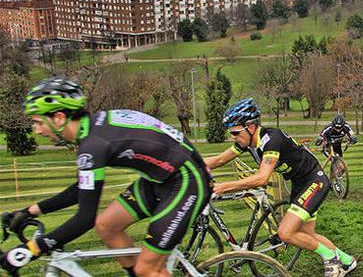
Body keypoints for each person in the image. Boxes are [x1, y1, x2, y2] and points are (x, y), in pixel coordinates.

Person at [1, 77, 211, 277]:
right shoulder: (91, 132)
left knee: (148, 269)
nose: (36, 130)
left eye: (38, 122)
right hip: (159, 179)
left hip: (187, 180)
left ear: (59, 117)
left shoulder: (93, 145)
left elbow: (84, 218)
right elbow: (81, 189)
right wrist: (30, 210)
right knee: (107, 226)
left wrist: (31, 249)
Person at [205, 98, 356, 277]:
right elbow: (219, 160)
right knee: (306, 235)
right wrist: (186, 165)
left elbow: (262, 178)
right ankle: (347, 261)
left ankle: (330, 257)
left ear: (251, 127)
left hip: (314, 180)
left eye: (236, 133)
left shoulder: (271, 140)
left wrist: (222, 187)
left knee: (285, 233)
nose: (233, 138)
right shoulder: (247, 143)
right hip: (300, 183)